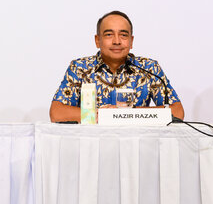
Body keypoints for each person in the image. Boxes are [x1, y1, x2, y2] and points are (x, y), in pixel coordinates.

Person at [49, 10, 184, 122]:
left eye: (123, 35)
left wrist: (124, 114)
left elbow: (177, 112)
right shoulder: (80, 68)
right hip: (92, 147)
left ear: (131, 41)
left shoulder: (149, 68)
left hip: (136, 147)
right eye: (109, 35)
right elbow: (57, 113)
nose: (117, 41)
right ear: (97, 40)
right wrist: (102, 115)